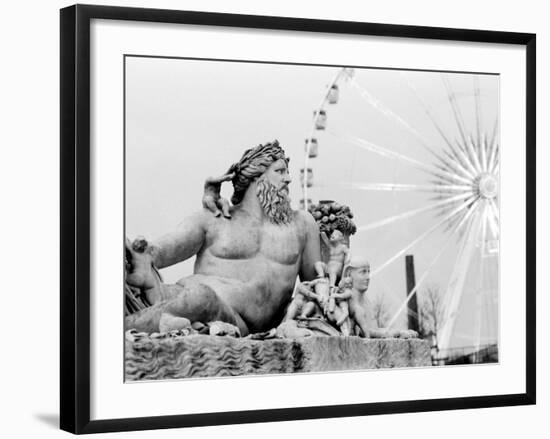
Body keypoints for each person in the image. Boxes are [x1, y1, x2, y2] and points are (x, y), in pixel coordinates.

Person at [125, 141, 321, 336]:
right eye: (280, 171)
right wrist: (142, 257)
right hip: (179, 299)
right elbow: (159, 251)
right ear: (255, 176)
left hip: (233, 320)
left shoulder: (301, 224)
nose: (288, 179)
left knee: (201, 297)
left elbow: (316, 287)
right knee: (193, 295)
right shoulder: (214, 219)